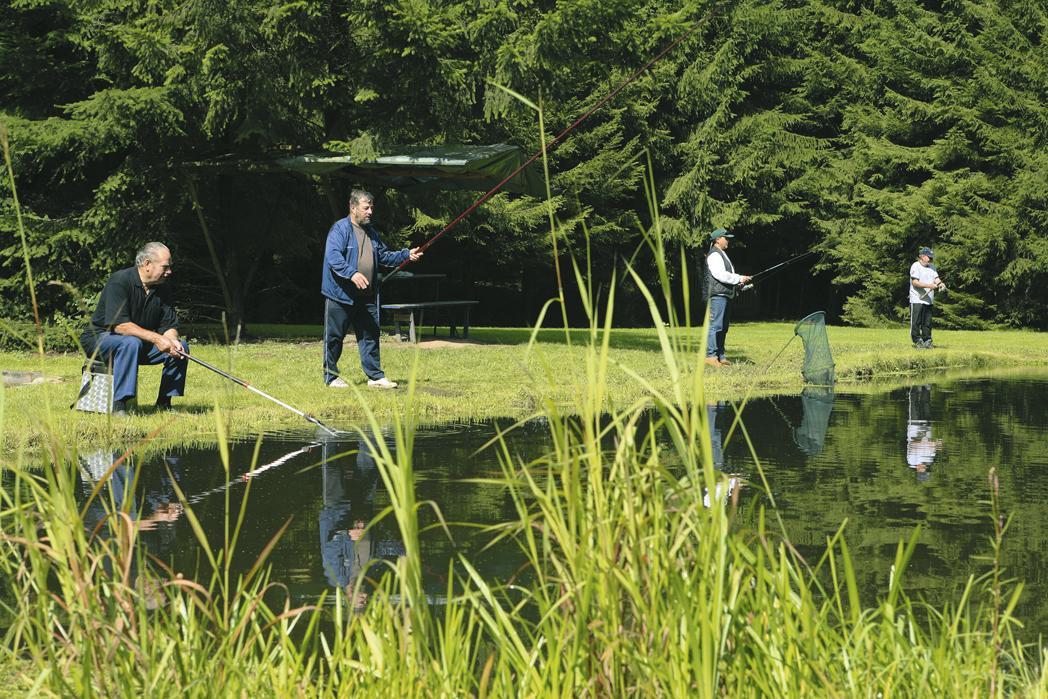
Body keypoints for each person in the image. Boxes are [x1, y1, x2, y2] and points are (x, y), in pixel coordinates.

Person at [322, 189, 422, 389]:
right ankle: (331, 377)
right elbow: (333, 258)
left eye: (371, 208)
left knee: (370, 336)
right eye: (366, 208)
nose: (370, 212)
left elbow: (384, 256)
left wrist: (405, 255)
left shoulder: (371, 232)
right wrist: (352, 273)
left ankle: (375, 377)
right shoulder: (339, 229)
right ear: (353, 208)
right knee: (334, 338)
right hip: (340, 295)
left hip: (366, 296)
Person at [80, 242, 188, 416]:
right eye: (165, 267)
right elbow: (121, 326)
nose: (169, 272)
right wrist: (157, 339)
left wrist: (172, 339)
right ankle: (120, 406)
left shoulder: (163, 288)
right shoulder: (120, 280)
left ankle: (164, 403)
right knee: (130, 342)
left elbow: (169, 325)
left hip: (136, 343)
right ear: (147, 264)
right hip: (100, 340)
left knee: (181, 347)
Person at [703, 228, 752, 367]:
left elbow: (726, 277)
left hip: (724, 295)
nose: (728, 240)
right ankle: (710, 356)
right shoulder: (714, 255)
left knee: (723, 327)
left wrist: (739, 284)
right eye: (726, 238)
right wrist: (739, 278)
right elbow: (720, 275)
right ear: (718, 239)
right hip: (717, 296)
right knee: (715, 326)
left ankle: (720, 356)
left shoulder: (722, 254)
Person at [909, 246, 945, 349]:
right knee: (916, 321)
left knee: (927, 322)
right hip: (917, 298)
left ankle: (927, 340)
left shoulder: (932, 267)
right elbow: (915, 282)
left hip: (929, 300)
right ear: (922, 256)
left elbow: (936, 279)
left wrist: (941, 284)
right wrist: (930, 286)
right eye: (928, 256)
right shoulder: (915, 266)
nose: (930, 259)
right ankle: (917, 341)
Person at [906, 384, 940, 481]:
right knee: (926, 405)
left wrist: (924, 444)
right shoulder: (929, 460)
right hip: (926, 429)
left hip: (914, 427)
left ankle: (914, 386)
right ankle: (926, 388)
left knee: (914, 404)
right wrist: (936, 444)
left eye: (924, 470)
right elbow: (933, 446)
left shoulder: (911, 461)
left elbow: (912, 444)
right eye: (926, 470)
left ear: (918, 469)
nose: (925, 468)